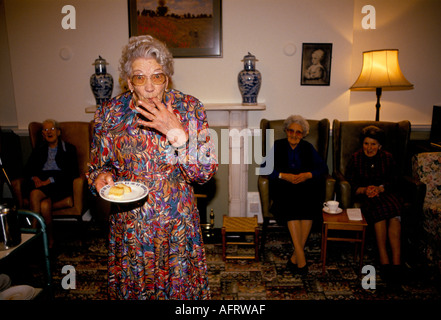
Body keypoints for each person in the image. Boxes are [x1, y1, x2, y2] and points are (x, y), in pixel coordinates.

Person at [87, 35, 218, 300]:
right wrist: (101, 176)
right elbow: (96, 168)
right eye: (139, 77)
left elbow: (204, 173)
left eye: (157, 76)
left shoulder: (190, 108)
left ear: (167, 78)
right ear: (128, 81)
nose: (149, 87)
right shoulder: (110, 113)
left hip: (176, 225)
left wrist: (177, 133)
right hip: (130, 226)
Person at [268, 115, 328, 276]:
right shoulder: (277, 145)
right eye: (291, 131)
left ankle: (295, 257)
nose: (294, 135)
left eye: (298, 132)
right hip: (283, 187)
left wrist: (308, 174)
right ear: (286, 131)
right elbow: (265, 168)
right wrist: (283, 175)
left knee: (309, 201)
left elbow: (323, 169)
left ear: (303, 134)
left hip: (305, 186)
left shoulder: (308, 147)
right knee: (291, 203)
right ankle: (301, 258)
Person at [345, 125, 403, 284]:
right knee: (380, 212)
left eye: (373, 144)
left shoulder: (388, 157)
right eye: (366, 144)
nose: (369, 148)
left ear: (380, 145)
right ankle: (384, 260)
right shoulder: (356, 158)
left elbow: (395, 180)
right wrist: (364, 190)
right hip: (367, 198)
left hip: (386, 194)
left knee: (394, 215)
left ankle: (396, 263)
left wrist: (380, 188)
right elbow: (349, 181)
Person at [24, 119, 78, 248]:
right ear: (42, 134)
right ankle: (49, 239)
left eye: (52, 129)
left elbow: (72, 173)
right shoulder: (39, 149)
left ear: (58, 132)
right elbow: (27, 169)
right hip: (41, 182)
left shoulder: (69, 148)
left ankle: (32, 233)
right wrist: (34, 177)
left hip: (59, 183)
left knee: (35, 194)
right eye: (45, 130)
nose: (49, 132)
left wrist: (49, 180)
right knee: (44, 206)